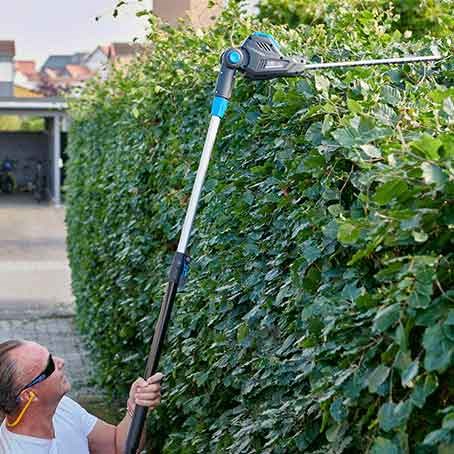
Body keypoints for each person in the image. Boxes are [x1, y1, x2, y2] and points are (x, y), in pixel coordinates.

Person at [0, 340, 163, 453]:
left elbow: (115, 446)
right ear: (29, 395)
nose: (60, 361)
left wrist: (135, 409)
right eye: (49, 365)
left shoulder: (60, 407)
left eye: (51, 354)